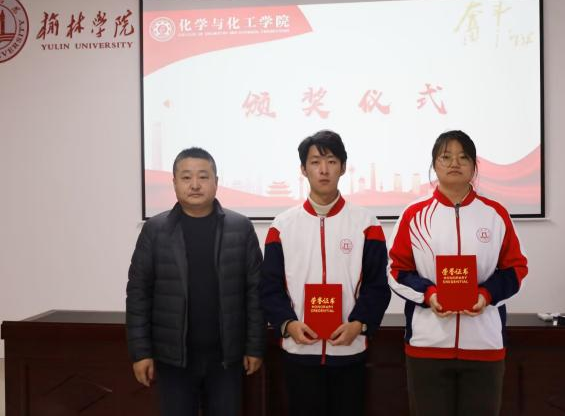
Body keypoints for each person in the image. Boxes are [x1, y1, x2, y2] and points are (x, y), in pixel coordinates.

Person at [387, 130, 528, 416]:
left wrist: (486, 295)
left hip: (484, 345)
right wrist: (429, 295)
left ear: (474, 166)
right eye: (446, 156)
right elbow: (397, 270)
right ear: (434, 164)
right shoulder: (414, 215)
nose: (455, 163)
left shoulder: (495, 213)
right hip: (427, 345)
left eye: (463, 157)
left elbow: (515, 269)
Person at [259, 130, 391, 416]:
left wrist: (359, 324)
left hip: (349, 350)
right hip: (299, 352)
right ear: (303, 169)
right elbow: (269, 287)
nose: (323, 169)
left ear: (343, 167)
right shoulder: (282, 226)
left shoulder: (366, 223)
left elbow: (377, 285)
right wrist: (288, 325)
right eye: (315, 162)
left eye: (331, 161)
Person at [126, 147, 265, 416]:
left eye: (203, 176)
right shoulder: (155, 230)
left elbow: (255, 293)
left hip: (226, 358)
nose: (195, 184)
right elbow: (138, 294)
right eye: (186, 177)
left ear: (216, 181)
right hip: (173, 359)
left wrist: (254, 347)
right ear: (174, 183)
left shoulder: (240, 228)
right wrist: (140, 353)